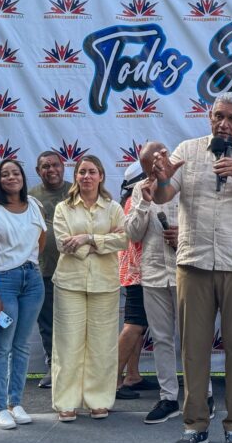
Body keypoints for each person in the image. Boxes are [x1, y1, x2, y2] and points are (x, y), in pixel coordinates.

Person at [149, 91, 232, 443]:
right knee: (193, 348)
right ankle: (195, 425)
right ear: (209, 116)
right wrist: (159, 178)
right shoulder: (187, 151)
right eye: (219, 115)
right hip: (195, 262)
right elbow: (162, 195)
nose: (224, 123)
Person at [51, 155, 129, 421]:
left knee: (102, 345)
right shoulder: (64, 208)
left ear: (101, 176)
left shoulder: (113, 207)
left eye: (91, 172)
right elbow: (63, 243)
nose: (86, 176)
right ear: (76, 176)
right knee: (68, 344)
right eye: (82, 171)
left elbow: (124, 240)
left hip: (105, 284)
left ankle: (99, 400)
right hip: (69, 283)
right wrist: (99, 246)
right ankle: (66, 402)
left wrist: (87, 238)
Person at [0, 159, 46, 430]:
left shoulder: (34, 206)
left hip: (32, 280)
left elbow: (40, 241)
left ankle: (15, 402)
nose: (11, 177)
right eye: (5, 174)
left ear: (22, 177)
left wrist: (25, 263)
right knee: (1, 346)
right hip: (2, 282)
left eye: (15, 172)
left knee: (21, 345)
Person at [123, 142, 186, 423]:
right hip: (153, 274)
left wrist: (183, 235)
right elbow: (133, 234)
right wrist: (146, 201)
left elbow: (206, 223)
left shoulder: (185, 181)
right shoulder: (139, 190)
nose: (153, 170)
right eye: (148, 167)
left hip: (186, 270)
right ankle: (168, 398)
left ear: (167, 157)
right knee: (161, 338)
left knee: (192, 339)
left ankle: (202, 396)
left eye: (157, 162)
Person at [115, 161, 159, 400]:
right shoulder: (137, 200)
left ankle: (132, 375)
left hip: (136, 271)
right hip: (139, 272)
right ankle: (111, 381)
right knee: (134, 325)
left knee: (138, 327)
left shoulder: (130, 200)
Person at [28, 151, 70, 389]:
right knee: (48, 324)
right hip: (44, 271)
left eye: (55, 165)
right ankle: (54, 368)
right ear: (38, 171)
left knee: (74, 322)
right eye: (45, 166)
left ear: (63, 166)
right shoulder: (31, 197)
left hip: (75, 270)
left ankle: (76, 370)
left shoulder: (76, 191)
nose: (51, 170)